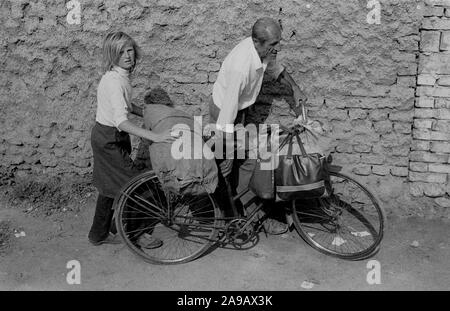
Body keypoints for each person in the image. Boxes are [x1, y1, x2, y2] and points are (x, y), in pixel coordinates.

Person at [209, 17, 307, 234]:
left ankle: (248, 218)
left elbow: (277, 69)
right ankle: (232, 218)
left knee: (247, 165)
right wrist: (228, 152)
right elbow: (226, 116)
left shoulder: (262, 51)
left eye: (278, 43)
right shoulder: (240, 68)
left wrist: (295, 89)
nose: (277, 48)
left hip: (240, 112)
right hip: (226, 114)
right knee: (234, 166)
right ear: (256, 41)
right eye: (273, 45)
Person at [88, 31, 176, 248]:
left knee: (108, 188)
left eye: (130, 50)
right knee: (140, 186)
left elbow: (125, 107)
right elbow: (121, 122)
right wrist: (155, 136)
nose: (128, 55)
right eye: (121, 52)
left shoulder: (118, 77)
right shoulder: (114, 82)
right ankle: (137, 233)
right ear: (112, 55)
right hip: (109, 140)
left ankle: (98, 234)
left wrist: (146, 112)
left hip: (106, 136)